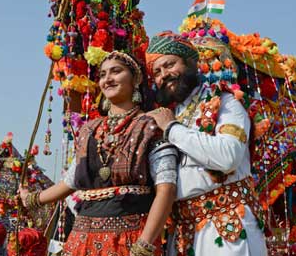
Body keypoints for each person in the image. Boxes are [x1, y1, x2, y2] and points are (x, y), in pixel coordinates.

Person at [20, 51, 178, 256]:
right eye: (103, 75)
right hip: (81, 239)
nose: (107, 79)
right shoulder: (90, 130)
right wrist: (32, 198)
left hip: (129, 240)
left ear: (135, 80)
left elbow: (166, 190)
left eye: (116, 71)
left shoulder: (150, 126)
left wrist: (144, 245)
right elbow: (71, 181)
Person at [146, 31, 267, 255]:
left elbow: (228, 157)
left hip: (227, 229)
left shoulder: (225, 101)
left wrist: (173, 129)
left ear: (190, 62)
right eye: (157, 72)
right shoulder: (169, 116)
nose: (164, 75)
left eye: (170, 64)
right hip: (183, 234)